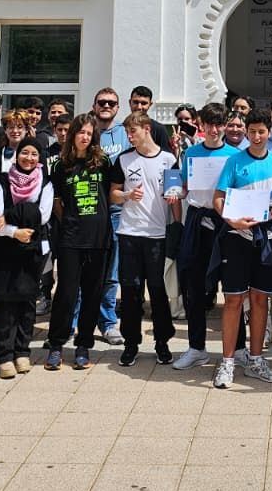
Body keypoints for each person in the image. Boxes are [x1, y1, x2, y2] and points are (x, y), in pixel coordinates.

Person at [212, 109, 272, 388]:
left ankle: (256, 360)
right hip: (237, 237)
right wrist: (231, 219)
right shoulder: (234, 161)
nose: (256, 136)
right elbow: (218, 198)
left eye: (261, 131)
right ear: (246, 132)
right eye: (252, 131)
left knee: (260, 300)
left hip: (268, 238)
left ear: (269, 133)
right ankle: (228, 362)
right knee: (233, 300)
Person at [45, 113, 116, 371]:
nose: (84, 137)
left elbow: (112, 195)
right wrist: (71, 222)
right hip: (71, 238)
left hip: (99, 239)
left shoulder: (104, 162)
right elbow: (56, 204)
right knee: (66, 293)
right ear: (72, 134)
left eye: (89, 133)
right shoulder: (60, 165)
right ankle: (55, 344)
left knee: (92, 293)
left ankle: (84, 344)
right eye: (80, 132)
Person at [172, 102, 239, 370]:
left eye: (219, 124)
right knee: (195, 289)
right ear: (201, 125)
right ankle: (196, 347)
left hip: (227, 223)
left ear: (225, 126)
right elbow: (185, 189)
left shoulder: (235, 155)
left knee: (233, 288)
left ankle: (239, 349)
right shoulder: (191, 154)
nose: (214, 129)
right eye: (209, 124)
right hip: (198, 221)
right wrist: (174, 192)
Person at [111, 110, 177, 367]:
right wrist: (127, 196)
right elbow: (113, 194)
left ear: (146, 129)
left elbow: (176, 193)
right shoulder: (124, 159)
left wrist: (177, 219)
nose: (130, 137)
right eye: (128, 133)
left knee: (157, 290)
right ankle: (131, 343)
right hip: (129, 232)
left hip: (157, 234)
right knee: (130, 289)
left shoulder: (169, 160)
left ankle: (162, 342)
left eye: (133, 132)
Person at [0, 137, 55, 377]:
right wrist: (14, 231)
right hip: (6, 247)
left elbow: (43, 216)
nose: (29, 158)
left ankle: (22, 352)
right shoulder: (3, 180)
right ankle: (4, 355)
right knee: (5, 303)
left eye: (34, 154)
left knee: (27, 303)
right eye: (24, 153)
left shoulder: (45, 182)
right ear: (17, 155)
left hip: (33, 248)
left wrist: (11, 215)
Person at [88, 88, 128, 346]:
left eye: (111, 103)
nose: (106, 106)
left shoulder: (125, 133)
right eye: (101, 102)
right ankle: (77, 320)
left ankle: (108, 322)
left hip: (115, 210)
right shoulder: (85, 128)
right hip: (88, 208)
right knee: (84, 269)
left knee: (112, 271)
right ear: (94, 105)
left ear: (117, 107)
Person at [128, 86, 177, 151]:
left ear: (150, 104)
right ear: (130, 102)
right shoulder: (121, 129)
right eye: (136, 102)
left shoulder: (159, 129)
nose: (139, 107)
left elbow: (166, 157)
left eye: (144, 103)